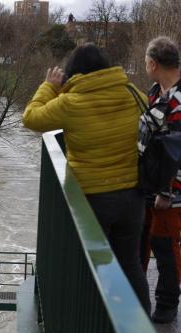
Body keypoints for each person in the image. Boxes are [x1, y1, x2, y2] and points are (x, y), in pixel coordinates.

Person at [22, 43, 151, 315]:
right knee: (129, 261)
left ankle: (97, 322)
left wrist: (49, 86)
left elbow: (31, 118)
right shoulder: (132, 93)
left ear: (73, 72)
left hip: (92, 198)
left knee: (92, 265)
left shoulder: (71, 102)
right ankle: (141, 322)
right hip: (132, 195)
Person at [139, 36, 181, 323]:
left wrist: (168, 192)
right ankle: (136, 298)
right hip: (149, 185)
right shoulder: (158, 92)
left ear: (153, 63)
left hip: (168, 192)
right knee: (142, 240)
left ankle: (167, 305)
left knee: (164, 244)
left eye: (145, 62)